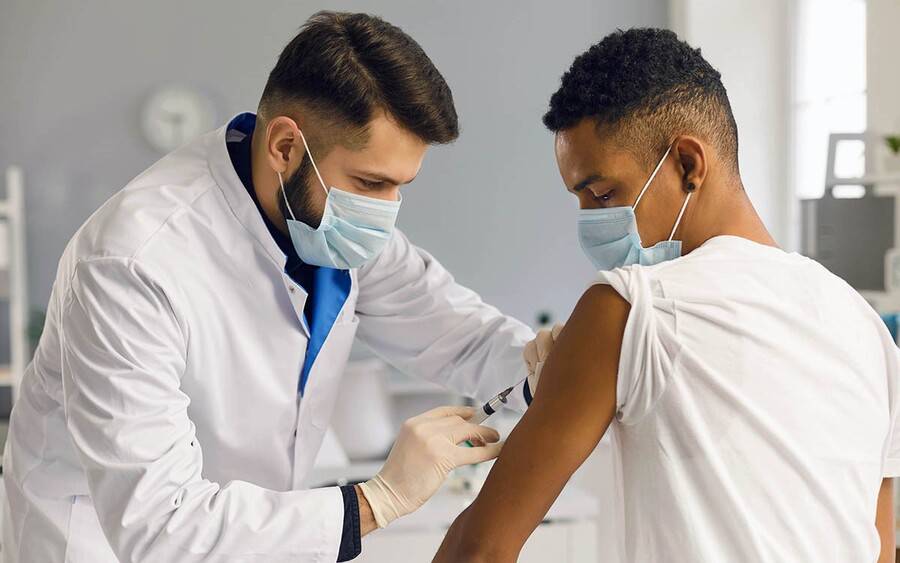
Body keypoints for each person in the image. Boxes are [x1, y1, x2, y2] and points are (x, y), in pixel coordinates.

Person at [1, 12, 546, 562]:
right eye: (370, 183)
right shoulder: (133, 265)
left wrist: (547, 362)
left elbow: (461, 338)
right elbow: (162, 529)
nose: (386, 212)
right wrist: (382, 498)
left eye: (400, 186)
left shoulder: (334, 229)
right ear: (286, 146)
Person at [435, 28, 900, 563]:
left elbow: (480, 550)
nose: (589, 220)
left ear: (687, 164)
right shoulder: (864, 325)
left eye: (603, 192)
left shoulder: (631, 306)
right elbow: (880, 548)